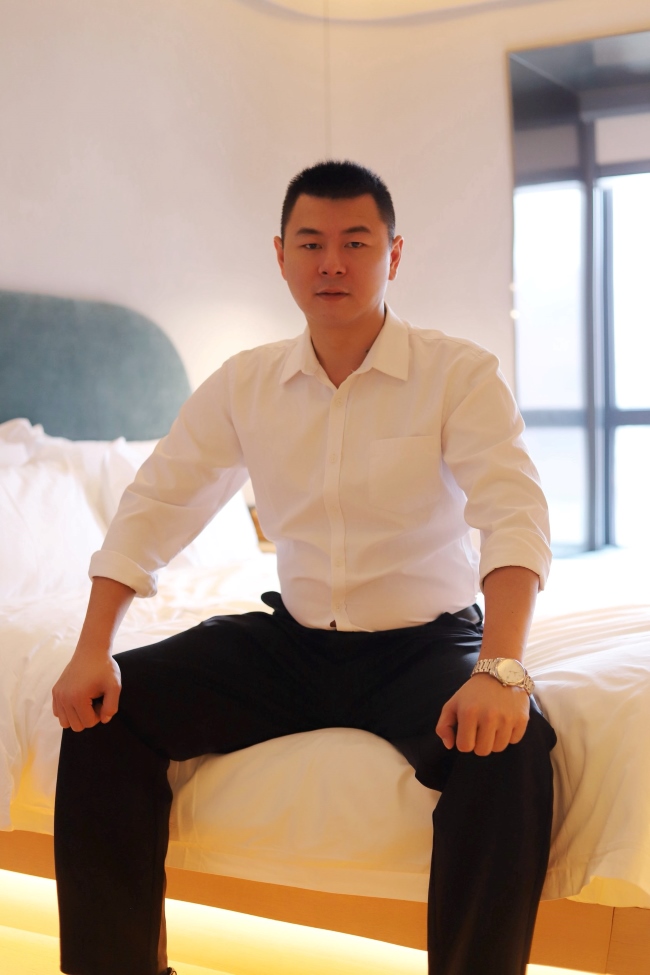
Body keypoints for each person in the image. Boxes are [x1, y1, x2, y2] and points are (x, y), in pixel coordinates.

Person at [52, 160, 556, 975]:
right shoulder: (245, 383)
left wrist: (500, 668)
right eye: (311, 242)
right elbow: (156, 504)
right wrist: (91, 646)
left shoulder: (457, 373)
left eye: (356, 242)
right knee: (104, 714)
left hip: (424, 645)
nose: (332, 262)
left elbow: (514, 512)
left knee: (512, 743)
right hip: (291, 646)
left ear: (393, 255)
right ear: (281, 254)